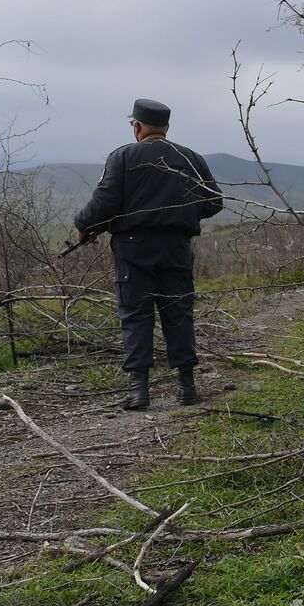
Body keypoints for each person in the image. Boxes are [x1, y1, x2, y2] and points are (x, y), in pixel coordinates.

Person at [74, 99, 223, 409]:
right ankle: (186, 387)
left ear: (137, 126)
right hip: (176, 248)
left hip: (133, 247)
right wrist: (181, 217)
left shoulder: (123, 157)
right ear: (166, 128)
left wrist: (85, 226)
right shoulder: (191, 158)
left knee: (136, 315)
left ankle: (139, 391)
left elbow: (104, 204)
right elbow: (213, 202)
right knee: (178, 313)